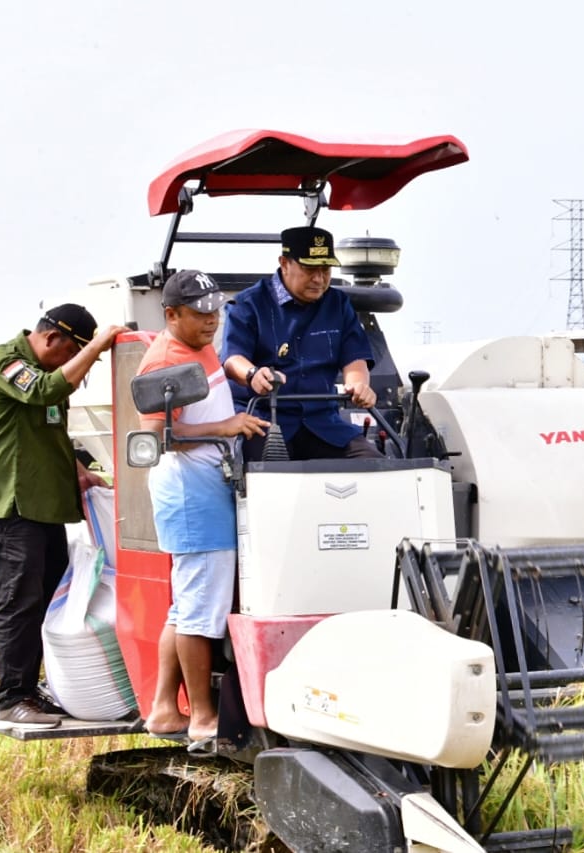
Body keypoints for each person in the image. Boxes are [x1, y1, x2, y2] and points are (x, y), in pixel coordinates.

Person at [0, 304, 125, 728]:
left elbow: (48, 427)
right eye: (74, 351)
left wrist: (80, 472)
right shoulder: (6, 362)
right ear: (54, 339)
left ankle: (32, 688)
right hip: (9, 507)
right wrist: (95, 347)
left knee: (51, 599)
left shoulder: (45, 376)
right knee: (19, 603)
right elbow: (42, 393)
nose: (77, 364)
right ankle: (12, 697)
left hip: (42, 509)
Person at [137, 271, 269, 743]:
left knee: (186, 608)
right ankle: (202, 718)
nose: (212, 320)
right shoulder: (164, 362)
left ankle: (162, 710)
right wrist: (226, 426)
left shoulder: (197, 343)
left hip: (207, 491)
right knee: (200, 613)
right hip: (193, 497)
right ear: (171, 315)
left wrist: (244, 375)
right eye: (199, 313)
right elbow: (156, 437)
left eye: (216, 310)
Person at [221, 225, 380, 461]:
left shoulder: (338, 304)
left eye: (325, 269)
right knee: (268, 477)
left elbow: (354, 359)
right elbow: (232, 360)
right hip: (264, 420)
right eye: (309, 269)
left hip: (323, 422)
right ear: (284, 263)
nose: (319, 278)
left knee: (373, 464)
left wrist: (359, 386)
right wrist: (254, 374)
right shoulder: (249, 304)